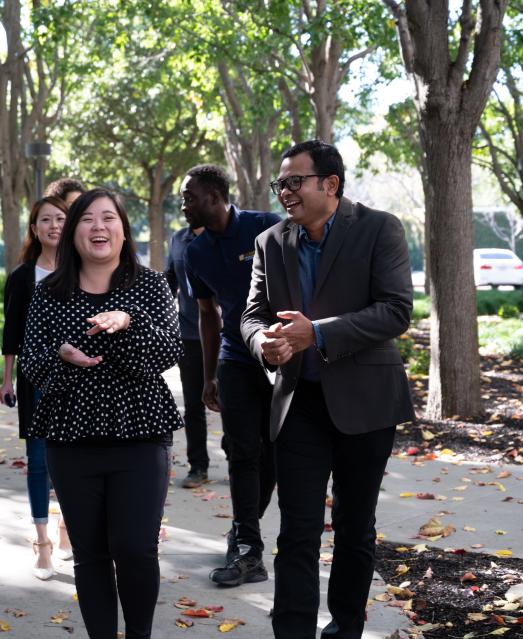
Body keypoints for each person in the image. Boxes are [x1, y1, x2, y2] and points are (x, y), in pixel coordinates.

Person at [241, 140, 413, 638]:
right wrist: (265, 345)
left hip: (366, 405)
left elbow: (395, 310)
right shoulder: (269, 242)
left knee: (356, 529)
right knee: (297, 532)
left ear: (329, 184)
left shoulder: (380, 229)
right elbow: (252, 316)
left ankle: (344, 629)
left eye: (294, 181)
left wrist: (315, 333)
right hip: (298, 406)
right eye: (281, 183)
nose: (284, 192)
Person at [21, 188, 182, 639]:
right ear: (72, 233)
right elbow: (31, 364)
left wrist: (127, 324)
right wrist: (62, 357)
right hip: (71, 438)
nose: (98, 227)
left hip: (140, 434)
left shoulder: (149, 286)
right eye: (87, 219)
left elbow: (168, 351)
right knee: (90, 554)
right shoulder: (50, 292)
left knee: (134, 549)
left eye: (108, 218)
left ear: (123, 230)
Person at [180, 164, 281, 587]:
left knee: (271, 454)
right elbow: (208, 314)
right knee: (241, 453)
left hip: (279, 357)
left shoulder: (268, 228)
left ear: (215, 195)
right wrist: (208, 377)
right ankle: (248, 552)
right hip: (235, 359)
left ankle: (241, 532)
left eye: (190, 197)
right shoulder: (195, 252)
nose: (184, 205)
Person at [0, 196, 75, 580]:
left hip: (79, 379)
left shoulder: (83, 270)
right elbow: (11, 331)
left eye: (61, 218)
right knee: (39, 461)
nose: (54, 226)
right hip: (36, 379)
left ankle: (66, 530)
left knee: (74, 460)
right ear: (34, 229)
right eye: (46, 220)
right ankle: (43, 542)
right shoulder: (21, 276)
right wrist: (7, 377)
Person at [164, 222, 209, 488]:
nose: (184, 206)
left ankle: (239, 457)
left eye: (190, 199)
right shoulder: (178, 239)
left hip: (227, 335)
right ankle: (198, 466)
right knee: (194, 405)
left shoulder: (225, 236)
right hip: (190, 334)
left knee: (233, 402)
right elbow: (169, 279)